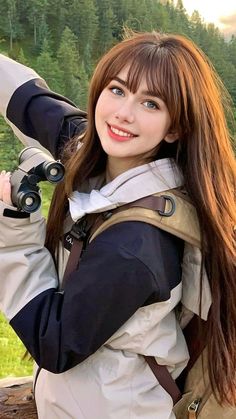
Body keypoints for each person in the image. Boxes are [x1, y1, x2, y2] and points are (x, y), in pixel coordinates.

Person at [0, 30, 235, 419]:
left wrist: (15, 226)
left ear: (174, 128)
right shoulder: (96, 152)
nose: (124, 113)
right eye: (118, 89)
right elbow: (31, 103)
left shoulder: (138, 243)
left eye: (151, 103)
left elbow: (55, 342)